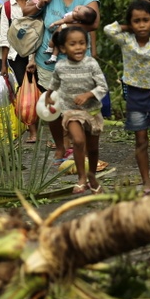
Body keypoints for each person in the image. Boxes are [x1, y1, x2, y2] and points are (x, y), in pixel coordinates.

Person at [23, 0, 101, 163]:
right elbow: (26, 12)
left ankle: (81, 148)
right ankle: (60, 147)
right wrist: (40, 3)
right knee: (52, 105)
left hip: (78, 61)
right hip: (48, 61)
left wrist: (67, 26)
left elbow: (94, 23)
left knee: (79, 106)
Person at [104, 0, 150, 195]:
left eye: (146, 20)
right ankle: (146, 180)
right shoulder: (126, 39)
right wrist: (127, 27)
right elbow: (108, 29)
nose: (142, 25)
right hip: (136, 96)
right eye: (136, 21)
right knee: (141, 140)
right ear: (130, 23)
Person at [46, 27, 108, 194]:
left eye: (82, 43)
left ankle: (92, 178)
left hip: (92, 112)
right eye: (73, 44)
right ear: (64, 48)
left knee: (93, 148)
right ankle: (81, 178)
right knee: (79, 141)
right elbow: (54, 83)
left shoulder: (91, 64)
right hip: (71, 111)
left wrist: (88, 95)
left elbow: (103, 87)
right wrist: (48, 96)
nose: (78, 47)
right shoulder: (60, 66)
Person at [0, 0, 39, 142]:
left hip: (38, 51)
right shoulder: (7, 7)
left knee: (44, 89)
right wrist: (3, 65)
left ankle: (55, 129)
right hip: (16, 55)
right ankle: (33, 131)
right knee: (25, 91)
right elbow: (4, 36)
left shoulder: (37, 1)